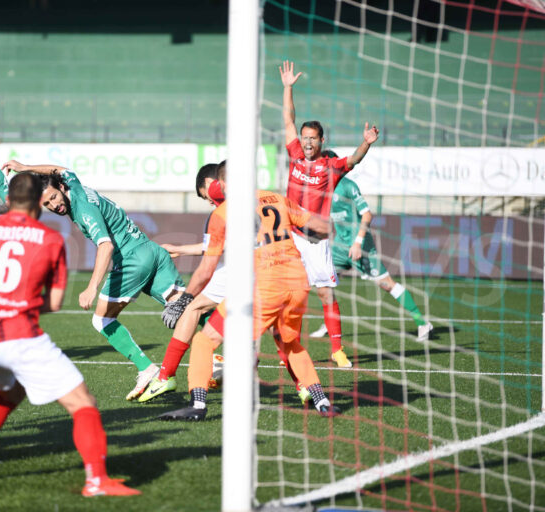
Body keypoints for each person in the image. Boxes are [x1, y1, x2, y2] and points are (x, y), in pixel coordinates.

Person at [0, 173, 141, 496]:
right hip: (19, 337)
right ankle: (97, 481)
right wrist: (20, 304)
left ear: (9, 199)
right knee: (83, 402)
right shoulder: (51, 239)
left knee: (11, 394)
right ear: (37, 204)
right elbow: (55, 303)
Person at [160, 163, 340, 420]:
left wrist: (186, 298)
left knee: (205, 340)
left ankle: (198, 405)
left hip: (264, 286)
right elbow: (323, 228)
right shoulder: (277, 198)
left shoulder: (224, 212)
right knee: (289, 343)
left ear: (220, 184)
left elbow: (206, 269)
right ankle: (322, 401)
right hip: (298, 283)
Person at [0, 161, 187, 401]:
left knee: (102, 319)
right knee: (187, 308)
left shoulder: (82, 207)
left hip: (131, 260)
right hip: (151, 250)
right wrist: (25, 167)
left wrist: (91, 287)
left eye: (54, 198)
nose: (54, 205)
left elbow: (106, 246)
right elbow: (59, 169)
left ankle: (147, 369)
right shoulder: (74, 185)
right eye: (47, 203)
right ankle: (226, 351)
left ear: (59, 187)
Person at [280, 60, 380, 368]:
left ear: (322, 141)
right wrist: (287, 88)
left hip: (317, 243)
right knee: (287, 296)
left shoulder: (331, 167)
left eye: (313, 138)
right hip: (291, 237)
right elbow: (287, 120)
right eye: (304, 137)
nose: (307, 142)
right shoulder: (295, 155)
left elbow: (354, 159)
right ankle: (286, 352)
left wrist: (366, 143)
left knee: (325, 294)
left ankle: (337, 350)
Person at [307, 171, 433, 341]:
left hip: (361, 246)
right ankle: (330, 324)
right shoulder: (322, 189)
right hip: (340, 247)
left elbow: (367, 214)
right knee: (324, 283)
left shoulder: (347, 186)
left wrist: (358, 243)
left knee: (387, 284)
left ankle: (422, 323)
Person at [138, 163, 226, 402]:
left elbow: (209, 263)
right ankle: (305, 384)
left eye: (203, 194)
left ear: (212, 184)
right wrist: (180, 249)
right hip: (275, 269)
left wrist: (185, 297)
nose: (207, 200)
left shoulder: (222, 211)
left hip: (244, 271)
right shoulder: (258, 199)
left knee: (193, 308)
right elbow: (215, 246)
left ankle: (166, 377)